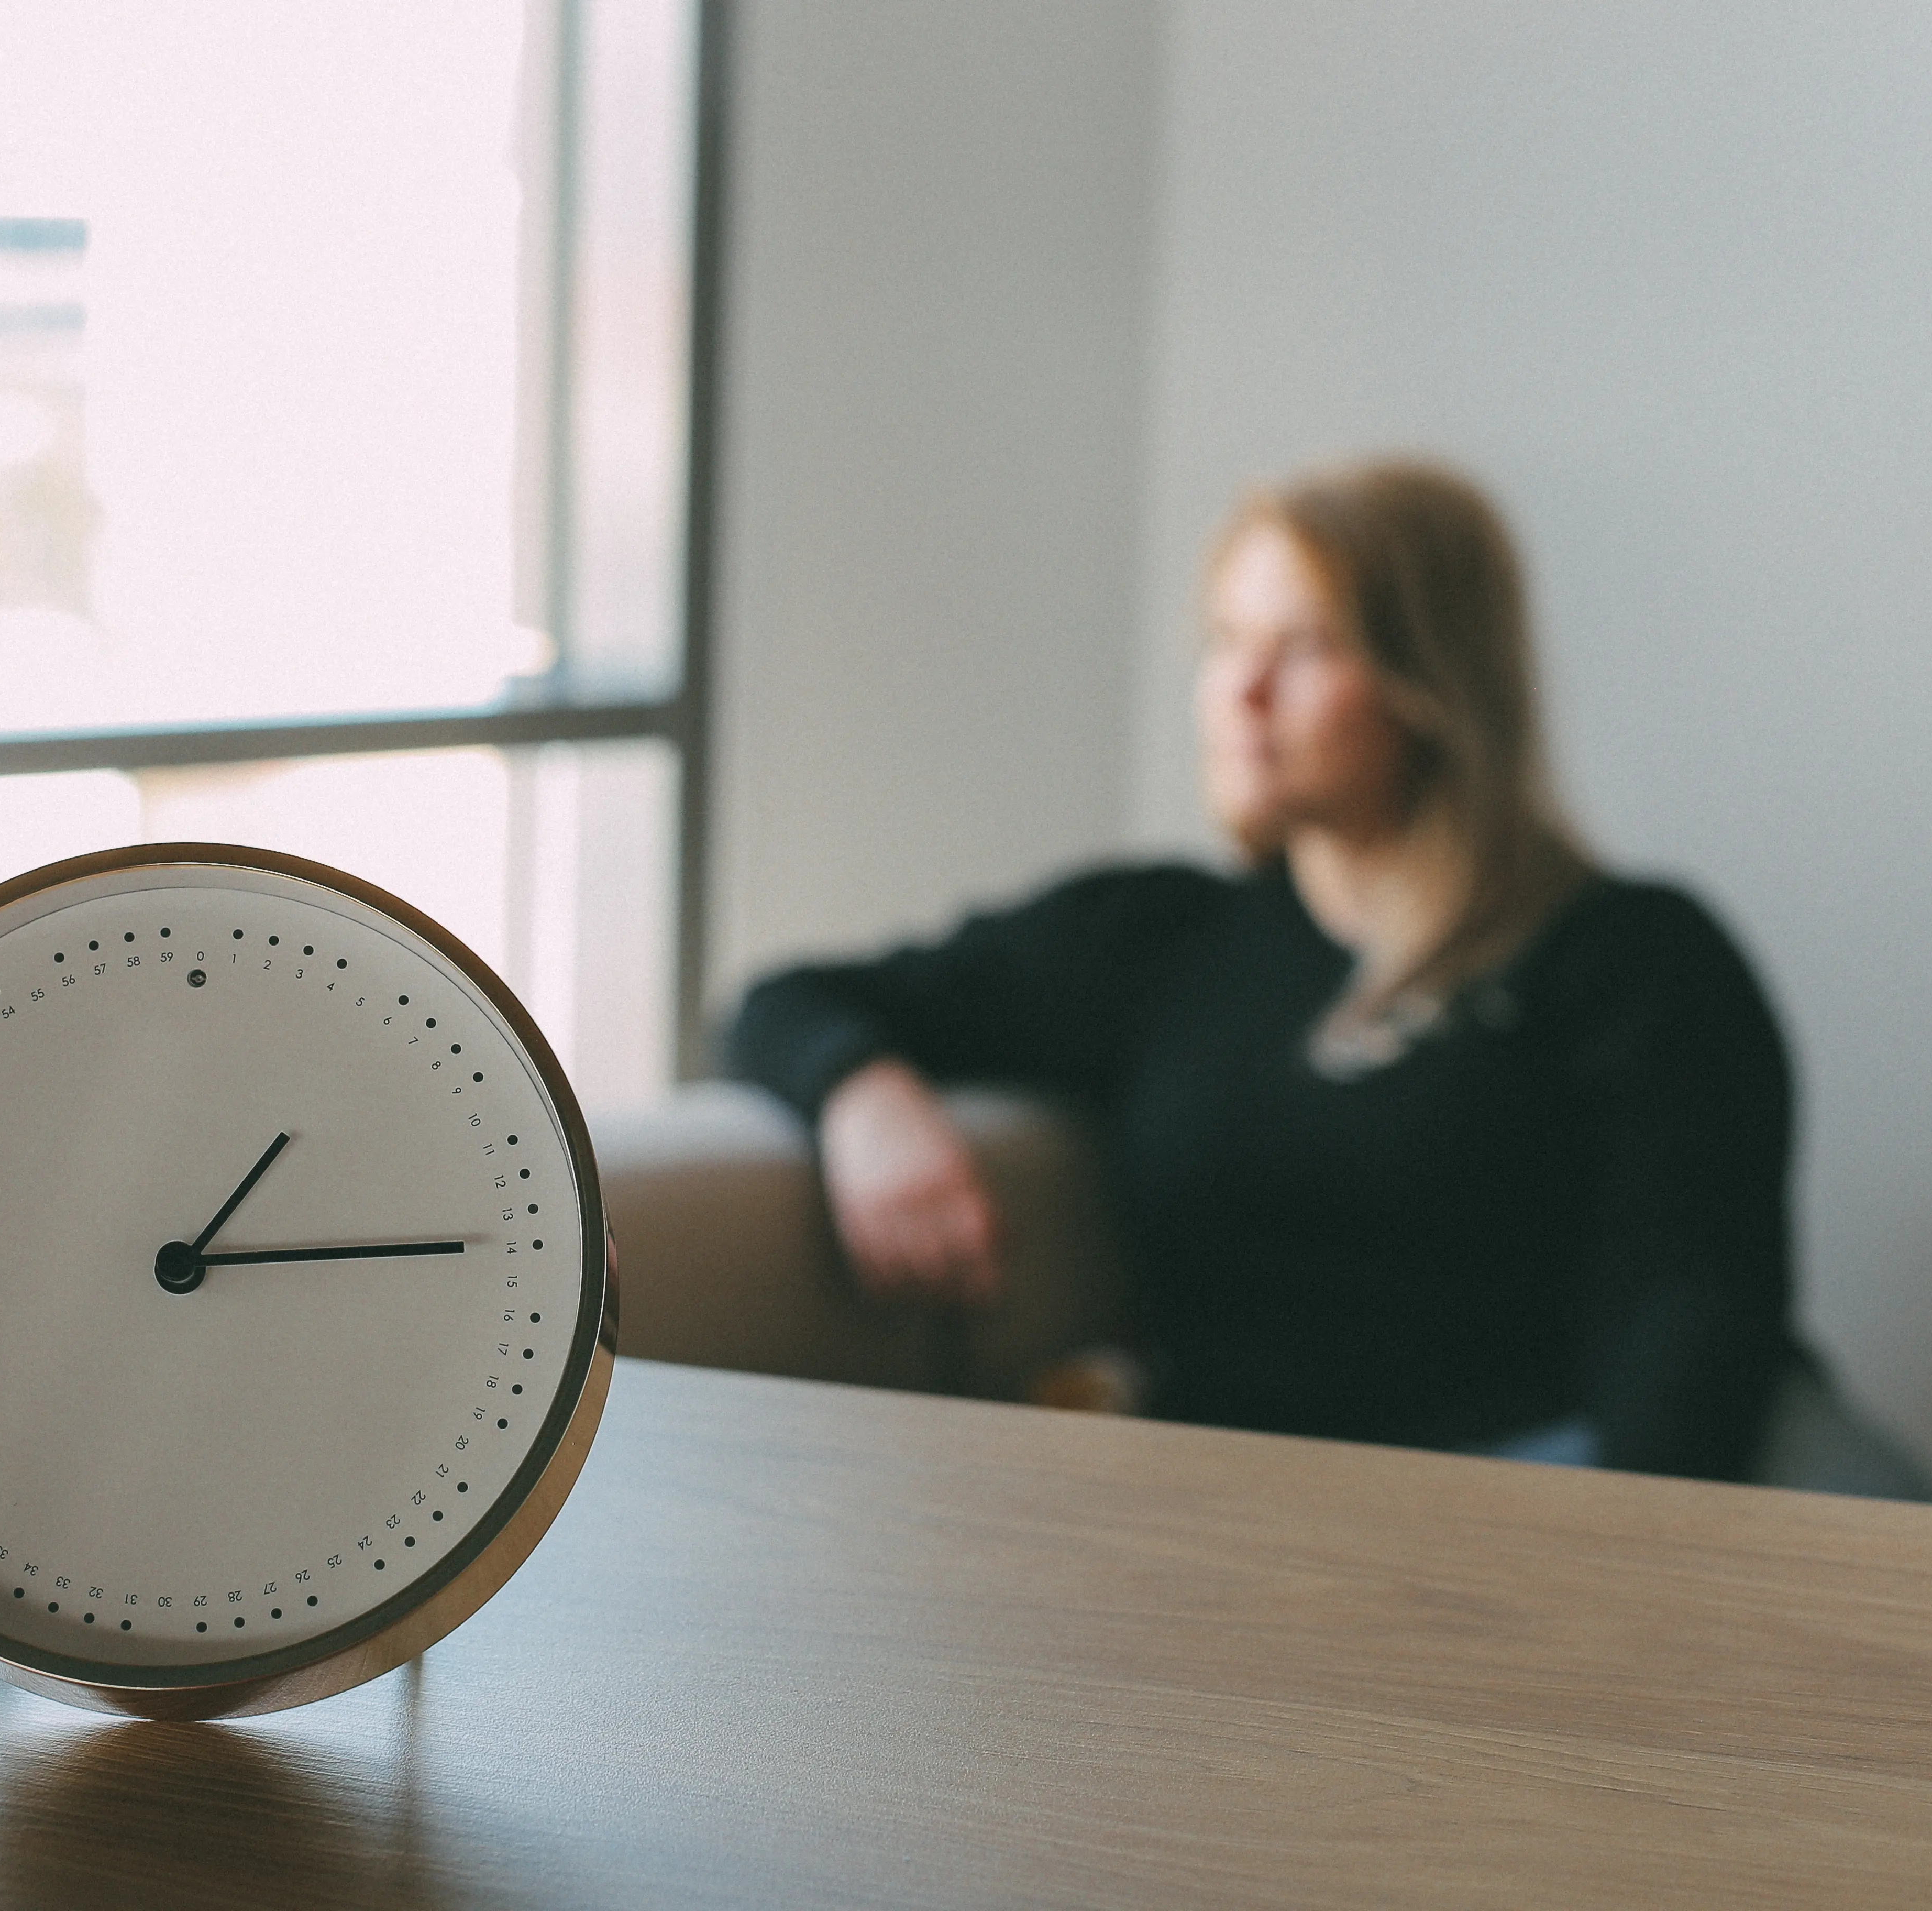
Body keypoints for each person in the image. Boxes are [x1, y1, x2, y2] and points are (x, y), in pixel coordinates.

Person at [725, 460, 1795, 1481]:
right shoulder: (1156, 938)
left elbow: (1689, 1324)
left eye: (1307, 647)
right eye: (1228, 640)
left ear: (1432, 679)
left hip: (1540, 1490)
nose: (1241, 690)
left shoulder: (1639, 962)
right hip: (1241, 1523)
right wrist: (865, 1096)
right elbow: (783, 1001)